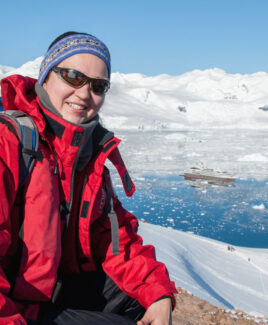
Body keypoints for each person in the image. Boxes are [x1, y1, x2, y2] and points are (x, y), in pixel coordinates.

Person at [0, 32, 177, 324]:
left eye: (98, 85)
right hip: (14, 305)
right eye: (72, 76)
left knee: (141, 300)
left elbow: (114, 239)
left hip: (49, 292)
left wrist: (158, 294)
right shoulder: (10, 143)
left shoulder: (86, 157)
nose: (84, 94)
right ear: (45, 77)